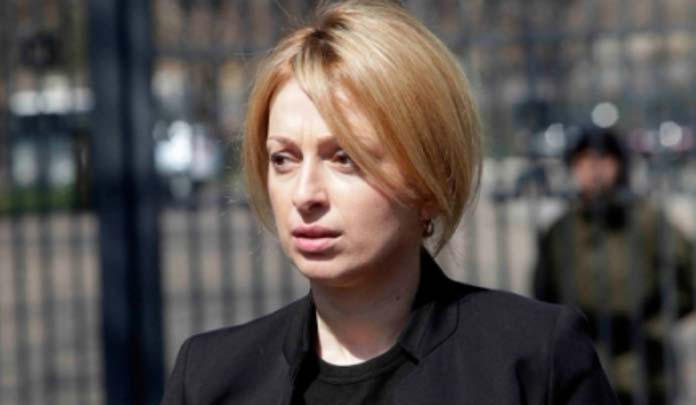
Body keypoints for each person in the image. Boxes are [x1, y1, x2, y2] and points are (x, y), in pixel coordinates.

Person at [162, 1, 618, 404]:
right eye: (283, 159)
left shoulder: (534, 360)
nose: (304, 195)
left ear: (427, 177)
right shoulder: (209, 377)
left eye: (344, 158)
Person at [533, 126, 694, 404]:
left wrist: (658, 319)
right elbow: (543, 296)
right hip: (579, 367)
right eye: (584, 160)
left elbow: (689, 276)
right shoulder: (561, 231)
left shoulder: (648, 221)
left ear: (619, 165)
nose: (594, 169)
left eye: (603, 159)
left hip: (645, 370)